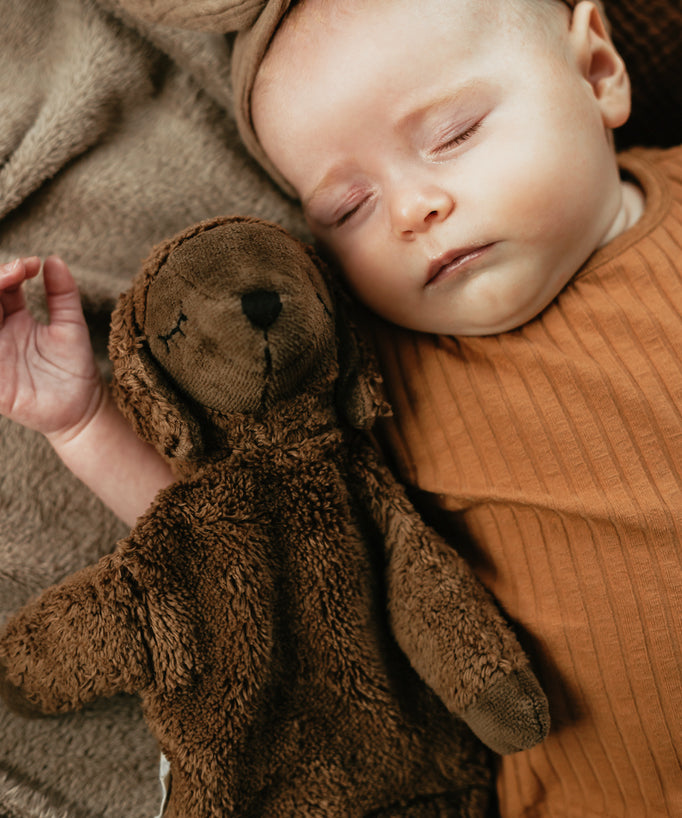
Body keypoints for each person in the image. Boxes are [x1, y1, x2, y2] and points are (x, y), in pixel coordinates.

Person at [0, 0, 680, 814]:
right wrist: (79, 420)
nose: (410, 210)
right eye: (347, 209)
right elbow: (245, 539)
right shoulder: (369, 376)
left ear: (598, 72)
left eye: (455, 133)